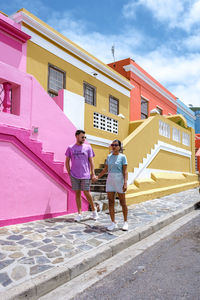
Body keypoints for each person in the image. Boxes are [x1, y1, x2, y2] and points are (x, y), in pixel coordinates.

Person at [93, 140, 128, 231]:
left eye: (116, 145)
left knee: (122, 202)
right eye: (113, 145)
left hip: (119, 180)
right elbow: (105, 169)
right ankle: (113, 222)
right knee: (110, 202)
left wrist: (125, 183)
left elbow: (125, 171)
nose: (114, 146)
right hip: (110, 181)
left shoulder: (122, 157)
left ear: (119, 147)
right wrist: (98, 177)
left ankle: (125, 222)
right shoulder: (109, 157)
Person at [65, 130, 98, 222]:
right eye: (82, 137)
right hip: (74, 175)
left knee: (87, 192)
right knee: (77, 194)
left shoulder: (88, 147)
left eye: (85, 137)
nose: (84, 139)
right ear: (76, 136)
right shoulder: (70, 147)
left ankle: (94, 210)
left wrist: (93, 173)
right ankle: (79, 214)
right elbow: (67, 161)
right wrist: (69, 172)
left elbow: (91, 162)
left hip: (85, 175)